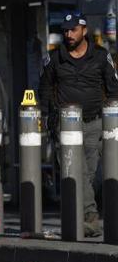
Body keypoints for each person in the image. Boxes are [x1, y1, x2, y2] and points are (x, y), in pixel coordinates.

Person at [39, 12, 118, 237]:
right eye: (65, 30)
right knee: (76, 170)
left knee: (88, 174)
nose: (68, 34)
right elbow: (44, 88)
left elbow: (113, 88)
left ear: (84, 30)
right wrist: (46, 117)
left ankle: (79, 216)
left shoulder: (101, 56)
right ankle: (90, 218)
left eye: (73, 29)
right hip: (65, 125)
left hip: (94, 123)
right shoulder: (54, 58)